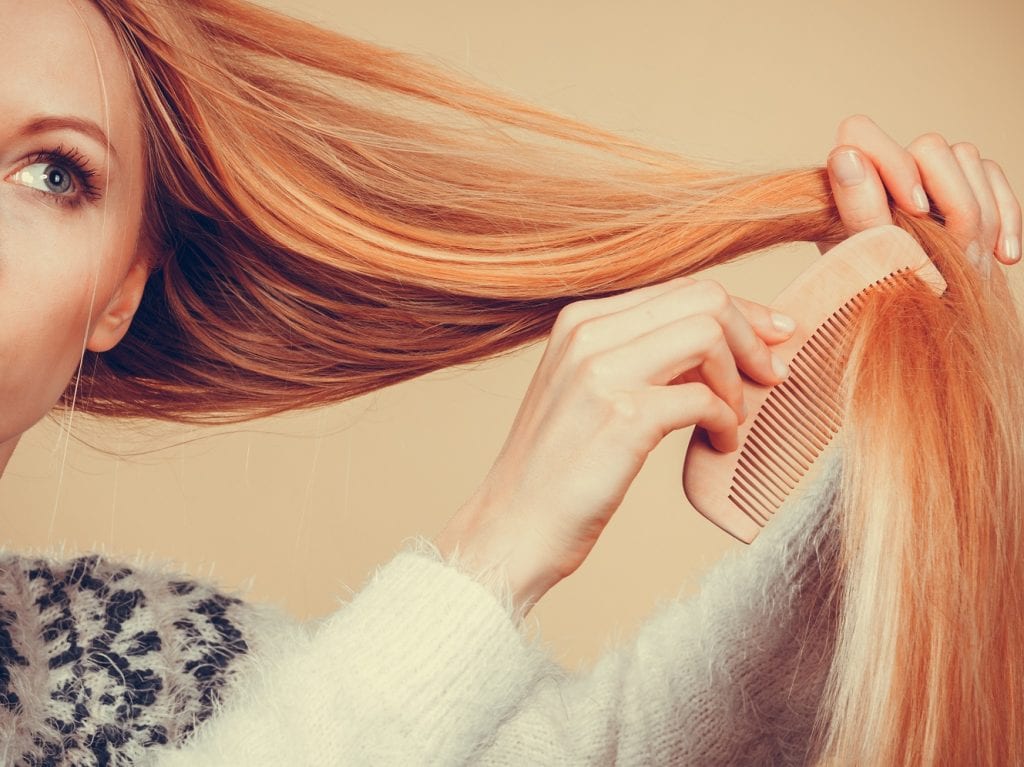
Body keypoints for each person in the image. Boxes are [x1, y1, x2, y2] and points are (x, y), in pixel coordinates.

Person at [2, 0, 1020, 764]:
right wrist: (486, 552)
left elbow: (613, 750)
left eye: (53, 172)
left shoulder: (142, 657)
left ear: (118, 296)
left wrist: (907, 408)